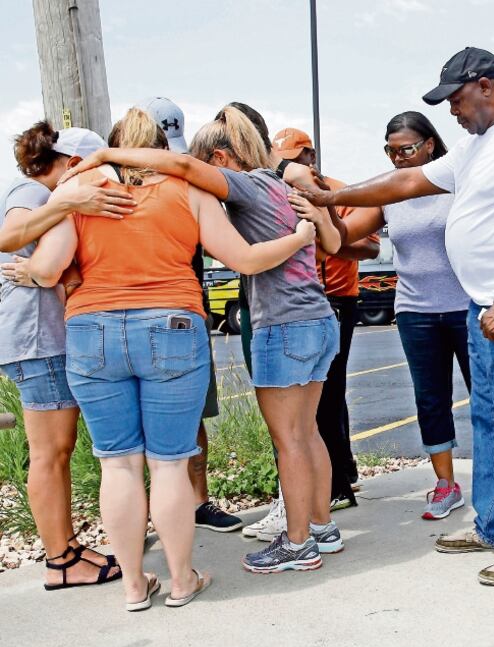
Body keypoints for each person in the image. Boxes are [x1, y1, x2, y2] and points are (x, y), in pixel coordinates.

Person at [300, 47, 494, 586]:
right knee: (493, 422)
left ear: (487, 86)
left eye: (455, 98)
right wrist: (331, 194)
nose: (450, 110)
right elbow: (405, 184)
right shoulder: (480, 147)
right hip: (485, 306)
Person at [25, 107, 320, 608]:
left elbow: (48, 269)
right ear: (161, 148)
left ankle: (136, 586)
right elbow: (245, 259)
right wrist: (299, 238)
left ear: (116, 144)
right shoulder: (189, 191)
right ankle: (182, 580)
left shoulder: (82, 191)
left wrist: (29, 270)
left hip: (92, 328)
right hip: (172, 326)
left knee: (116, 464)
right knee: (168, 464)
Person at [0, 122, 132, 591]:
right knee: (51, 454)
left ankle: (69, 550)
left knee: (56, 450)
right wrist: (69, 201)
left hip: (39, 337)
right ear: (72, 163)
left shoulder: (46, 194)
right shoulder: (31, 191)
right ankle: (61, 561)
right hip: (36, 339)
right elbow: (10, 235)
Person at [324, 111, 470, 520]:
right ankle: (445, 485)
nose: (397, 159)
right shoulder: (389, 193)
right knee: (430, 400)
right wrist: (322, 203)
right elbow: (340, 236)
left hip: (465, 307)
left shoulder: (456, 184)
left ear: (429, 145)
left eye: (405, 149)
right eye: (390, 152)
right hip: (415, 311)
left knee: (488, 396)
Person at [139, 96, 242, 533]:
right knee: (136, 429)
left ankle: (198, 501)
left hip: (187, 314)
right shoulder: (114, 188)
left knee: (195, 417)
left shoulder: (189, 189)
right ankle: (148, 513)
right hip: (136, 315)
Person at [272, 127, 379, 515]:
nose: (289, 166)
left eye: (296, 158)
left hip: (337, 299)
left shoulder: (339, 191)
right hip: (297, 302)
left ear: (311, 158)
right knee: (317, 398)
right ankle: (341, 471)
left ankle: (335, 485)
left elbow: (369, 247)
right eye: (282, 159)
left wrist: (325, 236)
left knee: (329, 394)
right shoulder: (278, 192)